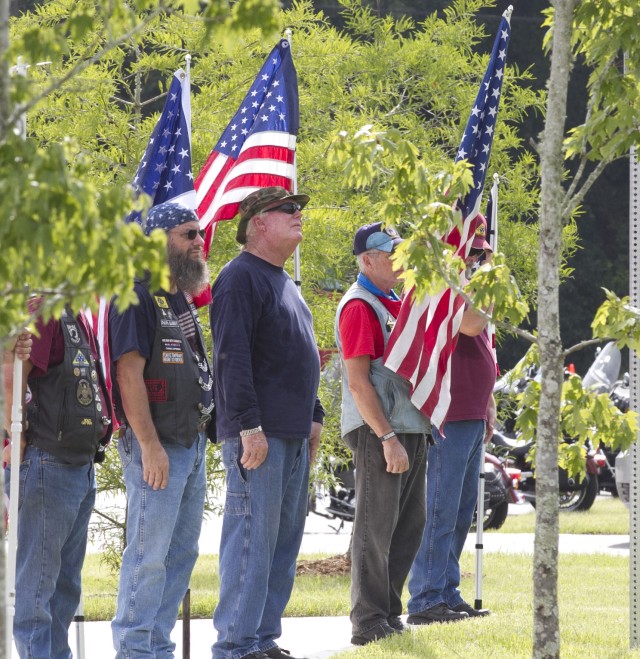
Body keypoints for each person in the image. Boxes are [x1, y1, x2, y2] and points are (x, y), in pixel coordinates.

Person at [211, 186, 324, 659]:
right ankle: (236, 643)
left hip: (293, 433)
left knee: (281, 543)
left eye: (298, 209)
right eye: (288, 210)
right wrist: (247, 426)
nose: (299, 215)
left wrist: (314, 416)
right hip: (259, 434)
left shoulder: (285, 283)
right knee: (252, 539)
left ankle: (261, 639)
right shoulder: (239, 278)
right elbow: (231, 357)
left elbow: (302, 355)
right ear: (258, 222)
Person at [109, 201, 214, 657]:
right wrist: (150, 446)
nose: (199, 242)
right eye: (188, 234)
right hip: (158, 449)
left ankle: (157, 646)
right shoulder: (134, 294)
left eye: (199, 233)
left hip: (190, 446)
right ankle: (134, 649)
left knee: (181, 555)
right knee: (148, 557)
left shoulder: (179, 299)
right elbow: (128, 374)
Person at [335, 221, 430, 646]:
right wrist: (387, 437)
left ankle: (389, 612)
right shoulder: (360, 306)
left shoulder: (395, 301)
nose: (398, 261)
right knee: (376, 525)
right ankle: (369, 619)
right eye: (389, 254)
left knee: (409, 523)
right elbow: (358, 383)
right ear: (366, 261)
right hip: (382, 432)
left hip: (410, 426)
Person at [3, 308, 112, 659]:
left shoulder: (75, 314)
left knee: (65, 589)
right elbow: (10, 372)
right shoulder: (44, 309)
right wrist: (14, 435)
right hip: (49, 461)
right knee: (38, 590)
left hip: (78, 463)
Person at [407, 214, 497, 624]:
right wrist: (488, 281)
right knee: (441, 509)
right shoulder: (444, 286)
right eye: (474, 252)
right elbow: (472, 323)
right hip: (448, 411)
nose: (480, 259)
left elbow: (484, 340)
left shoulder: (470, 287)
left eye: (482, 252)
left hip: (473, 411)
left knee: (462, 511)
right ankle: (425, 598)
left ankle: (447, 590)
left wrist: (489, 401)